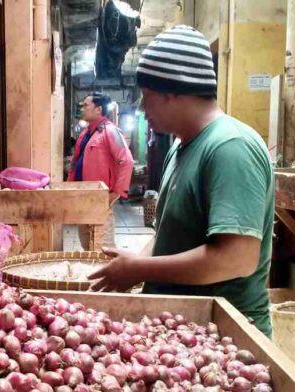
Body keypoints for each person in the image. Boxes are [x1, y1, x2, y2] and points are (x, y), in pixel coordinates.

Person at [87, 25, 275, 337]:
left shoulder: (231, 147)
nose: (143, 109)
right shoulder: (182, 145)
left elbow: (236, 258)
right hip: (180, 329)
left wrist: (138, 270)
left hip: (223, 337)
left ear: (174, 91)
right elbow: (168, 231)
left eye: (148, 96)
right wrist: (138, 260)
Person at [68, 92, 133, 249]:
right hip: (82, 195)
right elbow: (75, 162)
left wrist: (117, 192)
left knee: (103, 247)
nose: (82, 108)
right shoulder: (84, 134)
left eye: (86, 105)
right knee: (86, 243)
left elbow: (127, 161)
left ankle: (109, 274)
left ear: (98, 109)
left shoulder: (110, 131)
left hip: (100, 197)